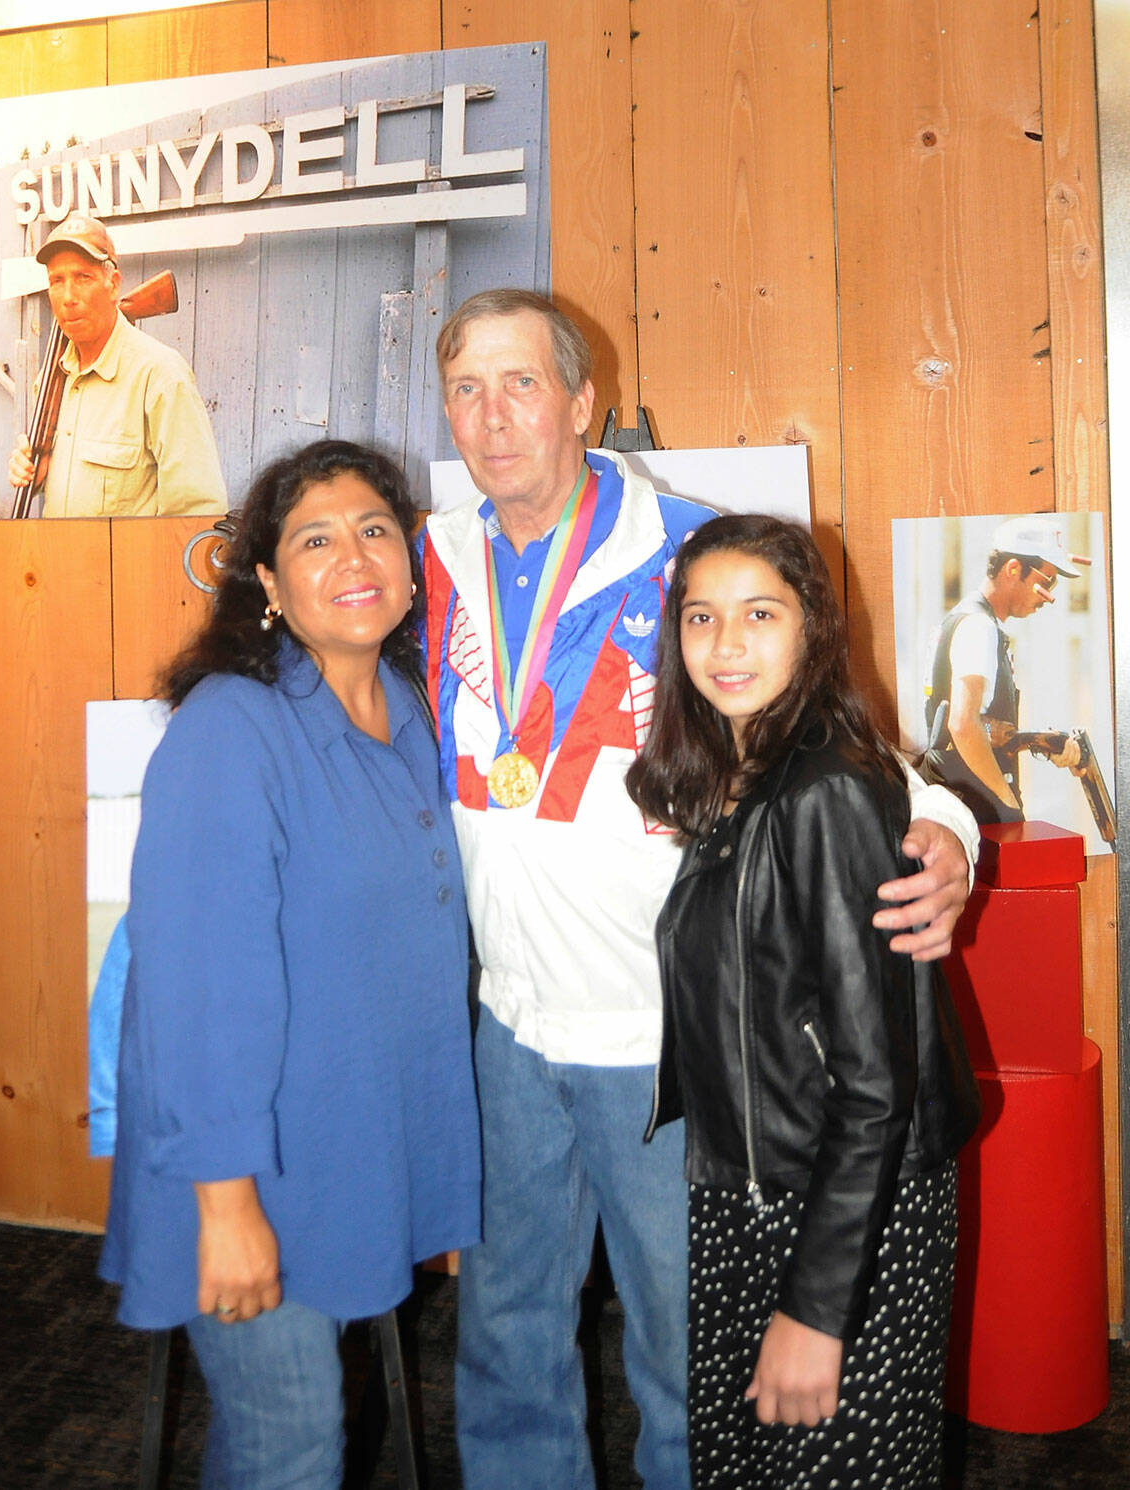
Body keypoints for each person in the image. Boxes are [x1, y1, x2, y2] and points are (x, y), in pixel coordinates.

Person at [419, 288, 979, 1490]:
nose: (492, 415)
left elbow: (851, 732)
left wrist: (941, 834)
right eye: (465, 387)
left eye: (522, 383)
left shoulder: (689, 547)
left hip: (667, 1044)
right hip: (508, 1026)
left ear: (583, 401)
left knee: (687, 1368)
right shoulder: (429, 559)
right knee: (506, 1343)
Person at [98, 440, 481, 1489]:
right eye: (313, 538)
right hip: (243, 1166)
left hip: (345, 1149)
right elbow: (195, 999)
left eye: (373, 530)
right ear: (265, 582)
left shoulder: (409, 714)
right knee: (293, 1439)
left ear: (410, 562)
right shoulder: (231, 730)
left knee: (312, 1423)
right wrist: (224, 1211)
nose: (352, 556)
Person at [627, 514, 982, 1489]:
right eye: (700, 615)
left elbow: (875, 1083)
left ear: (812, 629)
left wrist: (816, 1307)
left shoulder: (822, 788)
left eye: (758, 613)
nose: (725, 642)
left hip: (837, 1204)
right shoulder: (732, 775)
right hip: (750, 1184)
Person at [7, 214, 228, 518]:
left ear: (113, 285)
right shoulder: (52, 377)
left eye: (83, 278)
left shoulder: (160, 374)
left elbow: (196, 515)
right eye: (57, 281)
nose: (68, 297)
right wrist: (38, 474)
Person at [920, 515, 1083, 823]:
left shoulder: (963, 618)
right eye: (1046, 582)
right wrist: (1007, 802)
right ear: (1013, 569)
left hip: (955, 805)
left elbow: (976, 726)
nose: (1049, 597)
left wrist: (1043, 742)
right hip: (973, 811)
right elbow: (963, 725)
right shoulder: (979, 627)